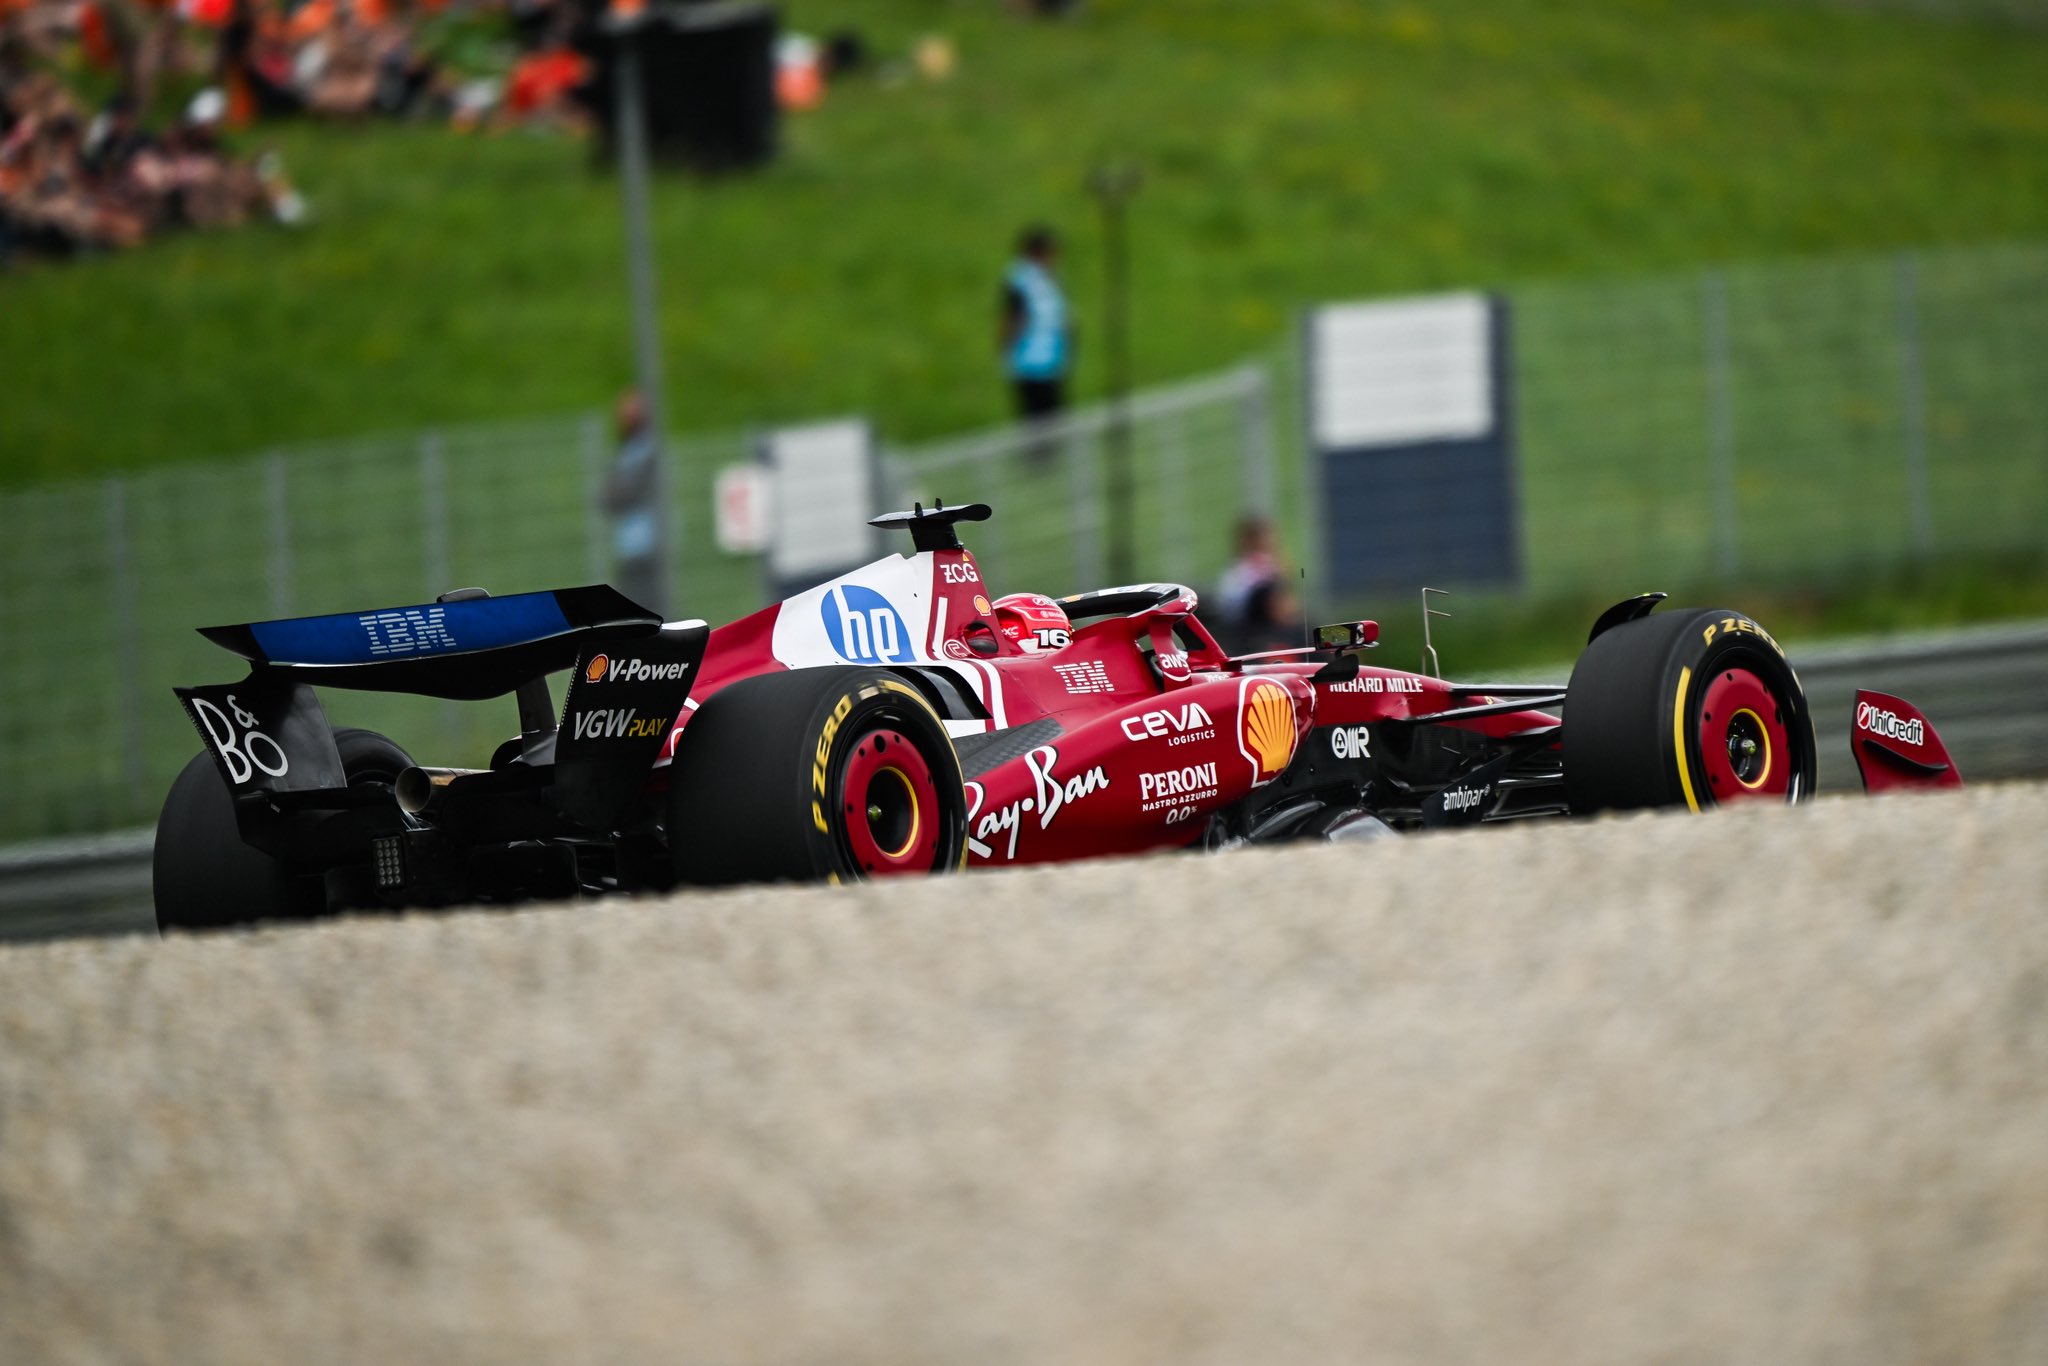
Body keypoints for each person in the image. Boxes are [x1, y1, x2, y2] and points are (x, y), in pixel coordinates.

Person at [999, 224, 1071, 441]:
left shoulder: (1050, 278)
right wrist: (1006, 350)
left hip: (1052, 357)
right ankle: (1039, 455)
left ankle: (1049, 453)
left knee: (1053, 411)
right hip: (1030, 359)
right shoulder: (1020, 280)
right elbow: (1013, 318)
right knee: (1036, 414)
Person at [602, 388, 664, 616]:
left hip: (647, 542)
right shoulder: (629, 451)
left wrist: (616, 490)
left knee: (647, 604)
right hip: (631, 544)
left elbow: (624, 491)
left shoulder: (647, 450)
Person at [1214, 515, 1298, 655]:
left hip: (1277, 628)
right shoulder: (1240, 571)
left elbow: (1288, 601)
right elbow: (1232, 607)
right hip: (1250, 629)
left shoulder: (1274, 565)